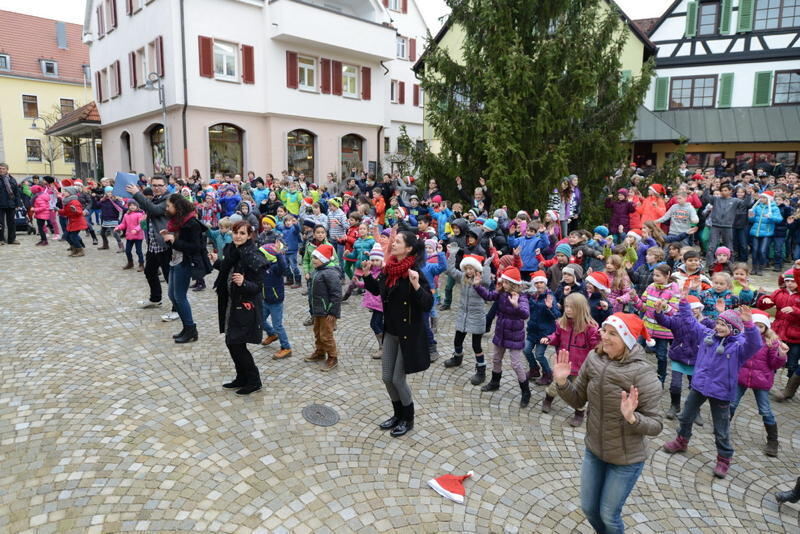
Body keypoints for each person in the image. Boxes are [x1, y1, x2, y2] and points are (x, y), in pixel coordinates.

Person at [554, 313, 663, 534]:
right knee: (589, 508)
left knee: (609, 515)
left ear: (628, 340)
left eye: (613, 333)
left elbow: (656, 425)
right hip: (594, 450)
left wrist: (633, 417)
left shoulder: (644, 374)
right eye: (604, 330)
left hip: (626, 460)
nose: (604, 337)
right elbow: (578, 400)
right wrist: (563, 382)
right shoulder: (594, 359)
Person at [662, 305, 761, 478]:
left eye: (724, 325)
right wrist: (684, 302)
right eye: (718, 323)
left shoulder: (739, 347)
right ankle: (681, 441)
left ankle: (723, 459)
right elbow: (691, 322)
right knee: (685, 416)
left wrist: (749, 324)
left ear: (734, 329)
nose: (719, 327)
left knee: (721, 429)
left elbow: (755, 344)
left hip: (721, 392)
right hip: (699, 386)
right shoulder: (708, 336)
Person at [363, 231, 433, 437]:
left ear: (409, 248)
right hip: (390, 331)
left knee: (398, 379)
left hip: (408, 335)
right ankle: (397, 414)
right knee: (386, 377)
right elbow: (378, 291)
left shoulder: (415, 272)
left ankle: (408, 419)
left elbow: (427, 303)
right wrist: (367, 276)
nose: (393, 244)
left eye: (398, 242)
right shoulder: (390, 269)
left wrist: (417, 286)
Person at [210, 221, 267, 395]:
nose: (238, 236)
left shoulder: (253, 255)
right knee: (231, 342)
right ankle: (241, 377)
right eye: (236, 232)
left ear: (249, 235)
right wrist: (217, 262)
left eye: (242, 233)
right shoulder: (233, 250)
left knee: (236, 343)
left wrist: (244, 283)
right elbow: (228, 268)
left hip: (244, 306)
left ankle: (254, 380)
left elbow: (257, 286)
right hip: (230, 302)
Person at [728, 310, 786, 457]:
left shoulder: (771, 342)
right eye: (755, 326)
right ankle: (723, 427)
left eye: (761, 326)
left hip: (761, 381)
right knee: (732, 403)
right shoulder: (743, 338)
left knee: (765, 410)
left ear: (766, 328)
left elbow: (774, 364)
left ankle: (773, 441)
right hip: (742, 377)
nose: (758, 329)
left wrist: (781, 354)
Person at [474, 267, 532, 407]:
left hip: (515, 335)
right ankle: (495, 382)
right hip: (501, 331)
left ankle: (526, 391)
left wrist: (516, 305)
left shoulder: (522, 296)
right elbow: (488, 296)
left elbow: (525, 314)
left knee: (516, 364)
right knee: (496, 359)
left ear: (512, 283)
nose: (502, 284)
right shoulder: (501, 293)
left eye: (505, 282)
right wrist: (477, 285)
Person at [127, 178, 176, 317]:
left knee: (170, 277)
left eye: (160, 185)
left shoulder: (169, 198)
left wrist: (137, 193)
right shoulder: (156, 198)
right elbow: (148, 207)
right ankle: (156, 299)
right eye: (154, 185)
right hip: (153, 245)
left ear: (166, 186)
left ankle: (177, 308)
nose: (156, 188)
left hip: (165, 245)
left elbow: (154, 210)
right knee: (149, 272)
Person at [162, 193, 207, 343]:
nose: (166, 208)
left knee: (180, 297)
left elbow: (195, 247)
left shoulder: (191, 223)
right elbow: (175, 243)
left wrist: (173, 240)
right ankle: (186, 327)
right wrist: (168, 238)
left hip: (185, 262)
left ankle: (190, 329)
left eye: (169, 206)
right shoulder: (176, 221)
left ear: (177, 206)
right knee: (172, 295)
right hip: (174, 260)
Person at [304, 243, 342, 371]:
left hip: (327, 312)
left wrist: (333, 312)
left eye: (316, 258)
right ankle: (320, 353)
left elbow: (336, 295)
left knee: (326, 335)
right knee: (317, 332)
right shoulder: (317, 271)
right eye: (313, 257)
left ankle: (332, 357)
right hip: (318, 310)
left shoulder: (330, 273)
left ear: (324, 259)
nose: (313, 260)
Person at [115, 201, 146, 271]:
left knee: (139, 251)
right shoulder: (126, 215)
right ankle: (130, 263)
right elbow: (123, 224)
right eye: (130, 205)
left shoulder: (140, 214)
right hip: (129, 236)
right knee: (127, 251)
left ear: (137, 206)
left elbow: (142, 224)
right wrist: (118, 227)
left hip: (138, 236)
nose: (132, 207)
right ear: (128, 206)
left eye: (134, 205)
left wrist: (136, 229)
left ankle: (141, 264)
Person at [0, 162, 22, 245]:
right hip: (0, 204)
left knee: (12, 222)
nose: (1, 170)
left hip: (10, 204)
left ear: (7, 170)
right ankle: (1, 239)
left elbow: (17, 193)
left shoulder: (12, 179)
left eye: (3, 169)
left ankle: (12, 239)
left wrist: (18, 204)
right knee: (0, 223)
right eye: (0, 168)